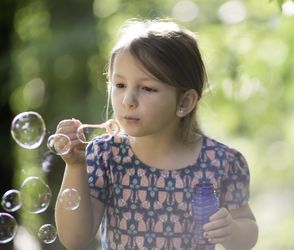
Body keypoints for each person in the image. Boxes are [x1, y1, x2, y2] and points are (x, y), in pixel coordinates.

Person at [54, 19, 258, 250]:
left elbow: (247, 227)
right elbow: (74, 239)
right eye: (119, 85)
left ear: (185, 102)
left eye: (147, 88)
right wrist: (75, 166)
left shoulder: (221, 162)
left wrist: (232, 231)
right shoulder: (105, 155)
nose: (128, 100)